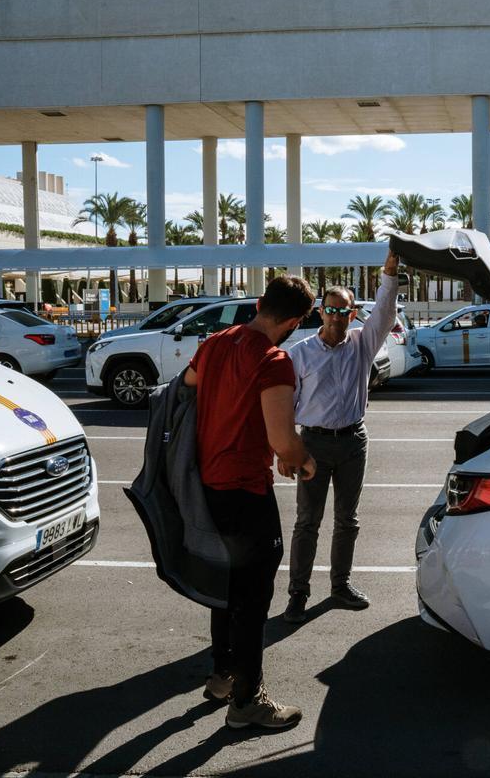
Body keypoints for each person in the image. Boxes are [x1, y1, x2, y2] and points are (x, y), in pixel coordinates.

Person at [183, 275, 316, 730]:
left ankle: (222, 676)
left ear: (260, 303)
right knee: (253, 597)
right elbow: (284, 441)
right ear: (296, 322)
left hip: (208, 487)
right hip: (245, 490)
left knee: (225, 587)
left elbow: (188, 385)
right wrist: (303, 459)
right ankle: (247, 701)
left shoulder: (216, 342)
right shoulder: (273, 359)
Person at [283, 249, 401, 622]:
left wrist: (389, 274)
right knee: (307, 522)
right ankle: (298, 594)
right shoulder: (299, 354)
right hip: (312, 444)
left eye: (343, 310)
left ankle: (340, 586)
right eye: (330, 310)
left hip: (353, 442)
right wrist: (288, 449)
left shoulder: (362, 344)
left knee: (347, 520)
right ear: (320, 312)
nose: (336, 316)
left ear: (352, 314)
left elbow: (384, 312)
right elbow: (285, 406)